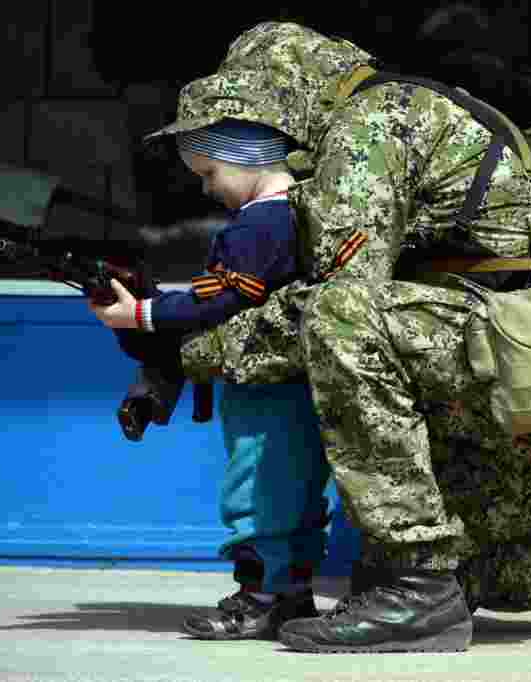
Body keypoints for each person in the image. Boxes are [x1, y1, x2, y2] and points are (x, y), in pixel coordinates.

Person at [144, 21, 531, 654]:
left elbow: (329, 306)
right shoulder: (409, 107)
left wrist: (190, 348)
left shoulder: (368, 126)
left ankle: (418, 586)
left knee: (342, 319)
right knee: (448, 571)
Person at [89, 117, 334, 640]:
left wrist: (144, 314)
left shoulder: (259, 224)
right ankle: (289, 595)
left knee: (257, 487)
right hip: (299, 380)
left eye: (209, 171)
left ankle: (260, 599)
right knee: (296, 488)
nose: (206, 187)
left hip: (263, 385)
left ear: (245, 156)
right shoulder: (302, 214)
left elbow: (222, 297)